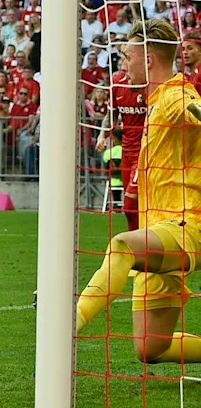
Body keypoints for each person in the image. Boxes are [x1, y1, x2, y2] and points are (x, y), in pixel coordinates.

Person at [75, 19, 201, 364]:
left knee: (121, 245)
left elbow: (193, 110)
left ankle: (68, 322)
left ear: (147, 58)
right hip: (157, 228)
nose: (123, 66)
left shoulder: (177, 96)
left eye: (126, 57)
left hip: (186, 227)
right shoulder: (156, 101)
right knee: (151, 348)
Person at [96, 68, 146, 230]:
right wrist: (102, 136)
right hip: (126, 152)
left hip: (145, 152)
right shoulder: (118, 83)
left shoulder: (148, 84)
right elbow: (111, 116)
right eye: (125, 56)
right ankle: (136, 242)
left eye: (129, 56)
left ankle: (145, 243)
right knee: (131, 208)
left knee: (131, 205)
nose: (125, 62)